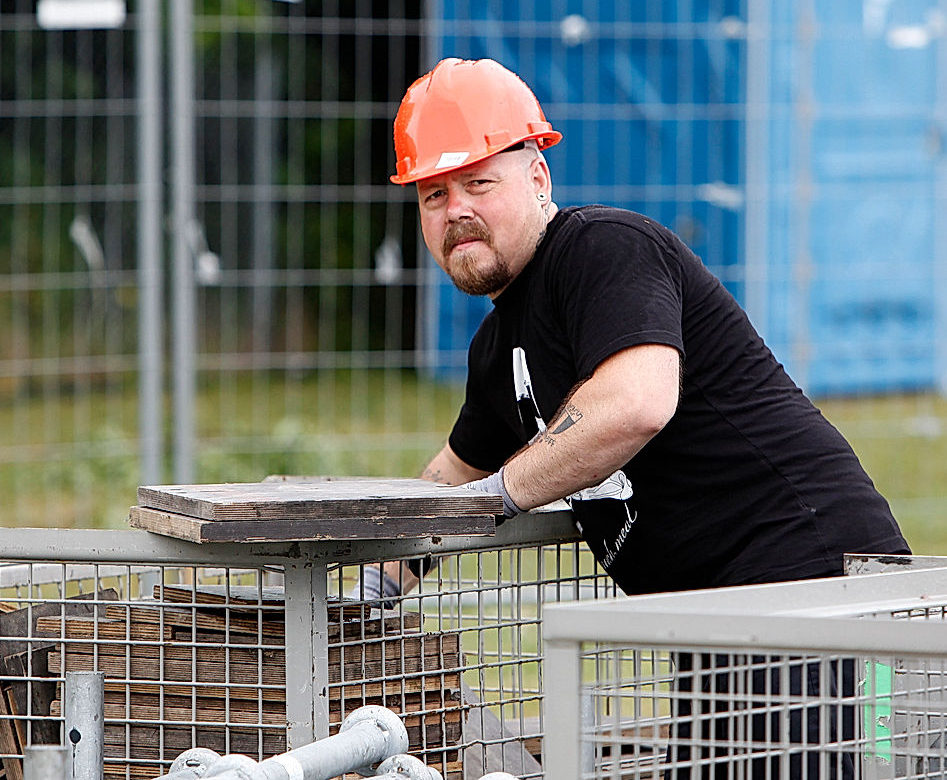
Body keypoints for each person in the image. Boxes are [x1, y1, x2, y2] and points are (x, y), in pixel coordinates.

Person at [359, 56, 912, 778]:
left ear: (537, 179)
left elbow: (635, 403)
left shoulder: (602, 250)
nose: (455, 209)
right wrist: (366, 594)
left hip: (812, 580)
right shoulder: (499, 348)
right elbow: (447, 483)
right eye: (433, 195)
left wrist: (497, 500)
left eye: (478, 182)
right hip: (717, 627)